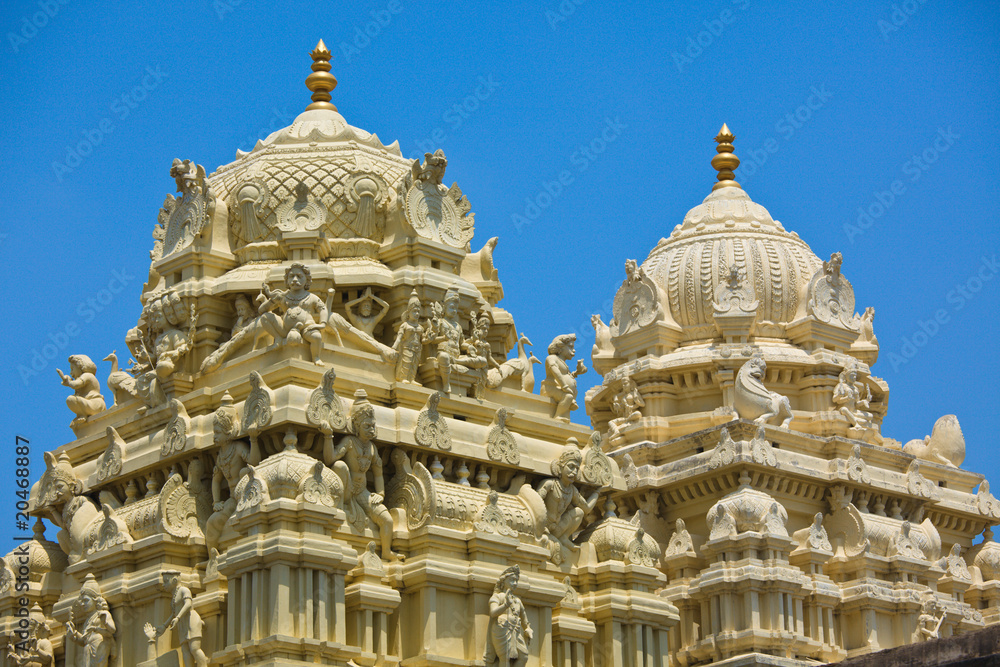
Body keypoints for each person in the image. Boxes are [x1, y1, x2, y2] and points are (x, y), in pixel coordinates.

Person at [258, 263, 327, 365]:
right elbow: (262, 310)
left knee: (316, 337)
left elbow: (323, 308)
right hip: (285, 329)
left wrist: (322, 323)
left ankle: (316, 357)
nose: (294, 279)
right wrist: (272, 301)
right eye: (291, 276)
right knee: (264, 317)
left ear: (307, 280)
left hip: (306, 328)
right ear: (287, 280)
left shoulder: (311, 297)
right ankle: (277, 338)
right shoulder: (283, 296)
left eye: (299, 276)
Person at [146, 571, 208, 667]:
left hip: (191, 619)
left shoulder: (184, 590)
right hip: (182, 623)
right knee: (185, 650)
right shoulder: (174, 596)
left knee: (194, 648)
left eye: (166, 581)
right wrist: (164, 626)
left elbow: (188, 604)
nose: (164, 585)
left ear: (174, 580)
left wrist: (178, 618)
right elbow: (174, 613)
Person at [483, 564, 532, 667]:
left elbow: (524, 619)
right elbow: (493, 613)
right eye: (512, 580)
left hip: (516, 631)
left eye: (516, 581)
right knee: (505, 658)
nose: (514, 583)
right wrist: (505, 605)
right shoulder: (498, 596)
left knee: (524, 656)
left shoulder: (517, 601)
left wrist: (528, 628)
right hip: (502, 629)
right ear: (503, 581)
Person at [539, 334, 587, 421]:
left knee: (570, 394)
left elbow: (567, 376)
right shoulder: (551, 358)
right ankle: (558, 416)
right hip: (550, 388)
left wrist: (577, 372)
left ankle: (569, 403)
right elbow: (555, 371)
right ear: (560, 347)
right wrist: (564, 386)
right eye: (570, 347)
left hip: (560, 390)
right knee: (568, 396)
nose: (574, 350)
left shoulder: (564, 364)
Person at [56, 355, 105, 427]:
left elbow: (76, 384)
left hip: (95, 404)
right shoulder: (84, 377)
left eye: (72, 369)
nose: (71, 373)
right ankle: (83, 415)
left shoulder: (87, 375)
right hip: (91, 405)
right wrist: (69, 381)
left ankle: (83, 414)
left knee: (70, 399)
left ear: (80, 366)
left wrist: (68, 382)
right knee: (72, 399)